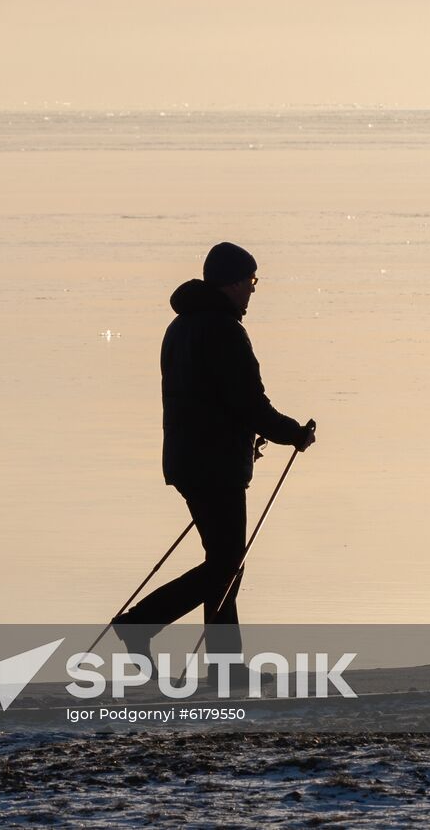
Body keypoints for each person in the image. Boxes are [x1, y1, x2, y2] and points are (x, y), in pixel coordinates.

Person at [113, 243, 315, 674]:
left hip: (190, 459)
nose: (254, 292)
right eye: (252, 282)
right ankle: (141, 624)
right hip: (213, 464)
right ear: (234, 282)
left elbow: (208, 400)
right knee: (225, 563)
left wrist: (247, 439)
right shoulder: (223, 329)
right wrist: (293, 434)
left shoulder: (181, 326)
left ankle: (225, 666)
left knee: (224, 561)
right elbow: (248, 401)